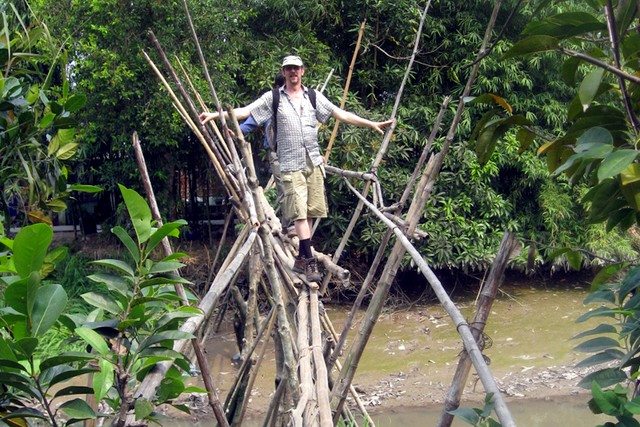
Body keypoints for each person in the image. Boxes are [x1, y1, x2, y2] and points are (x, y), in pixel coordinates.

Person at [200, 55, 394, 282]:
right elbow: (245, 111)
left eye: (296, 68)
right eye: (288, 69)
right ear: (284, 73)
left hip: (313, 161)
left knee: (311, 210)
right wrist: (215, 115)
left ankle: (301, 259)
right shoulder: (273, 98)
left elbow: (340, 114)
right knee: (299, 213)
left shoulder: (313, 96)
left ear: (303, 71)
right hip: (290, 163)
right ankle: (309, 261)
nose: (293, 72)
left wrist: (371, 123)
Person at [238, 73, 291, 233]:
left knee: (292, 187)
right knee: (284, 187)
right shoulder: (272, 102)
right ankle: (288, 225)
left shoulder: (297, 101)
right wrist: (237, 130)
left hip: (294, 152)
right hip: (276, 152)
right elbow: (252, 120)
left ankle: (292, 224)